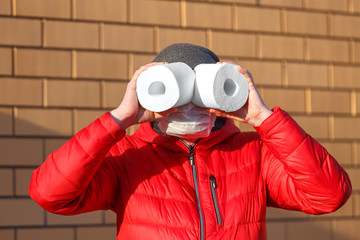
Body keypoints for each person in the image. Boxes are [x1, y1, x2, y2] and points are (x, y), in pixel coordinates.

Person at [29, 43, 352, 240]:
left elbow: (328, 195)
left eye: (201, 94)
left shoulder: (252, 153)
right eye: (178, 94)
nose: (189, 106)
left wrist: (263, 119)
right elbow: (49, 194)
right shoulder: (128, 156)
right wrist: (119, 120)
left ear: (221, 95)